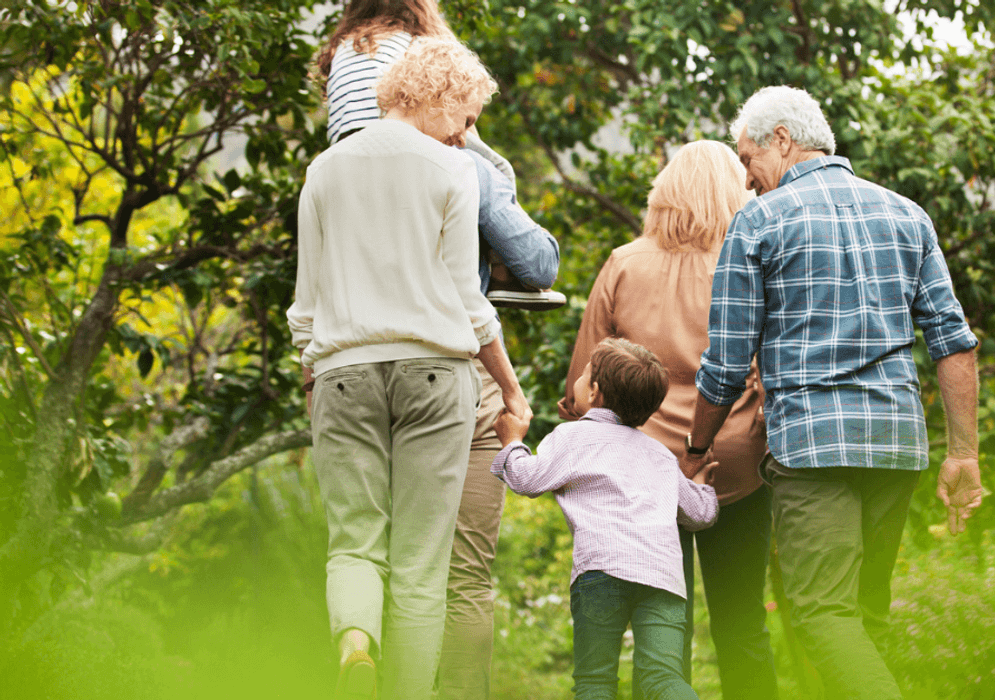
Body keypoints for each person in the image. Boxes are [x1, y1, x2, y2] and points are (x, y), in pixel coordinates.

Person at [680, 86, 983, 700]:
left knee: (821, 613)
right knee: (863, 617)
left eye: (746, 159)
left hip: (813, 450)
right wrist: (963, 453)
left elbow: (727, 362)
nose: (745, 179)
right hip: (896, 445)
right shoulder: (906, 214)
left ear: (783, 141)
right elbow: (954, 342)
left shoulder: (759, 223)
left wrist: (697, 445)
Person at [318, 4, 562, 698]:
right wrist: (488, 160)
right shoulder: (460, 168)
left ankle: (355, 648)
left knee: (356, 548)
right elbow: (521, 272)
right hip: (446, 373)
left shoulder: (331, 168)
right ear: (441, 89)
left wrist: (315, 365)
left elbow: (308, 299)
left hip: (348, 367)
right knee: (452, 573)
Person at [558, 141, 777, 700]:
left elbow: (582, 389)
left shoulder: (624, 264)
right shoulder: (749, 263)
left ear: (664, 194)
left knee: (663, 633)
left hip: (643, 477)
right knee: (742, 621)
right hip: (735, 466)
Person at [493, 339, 718, 700]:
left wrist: (512, 442)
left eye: (583, 376)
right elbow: (700, 514)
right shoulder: (660, 455)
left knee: (596, 681)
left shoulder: (572, 437)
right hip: (662, 578)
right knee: (663, 678)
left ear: (594, 391)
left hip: (602, 571)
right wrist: (701, 484)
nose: (578, 382)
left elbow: (526, 479)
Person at [318, 0, 566, 311]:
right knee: (495, 167)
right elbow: (450, 119)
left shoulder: (342, 49)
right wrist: (467, 131)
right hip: (407, 142)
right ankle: (505, 273)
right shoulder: (418, 45)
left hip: (351, 164)